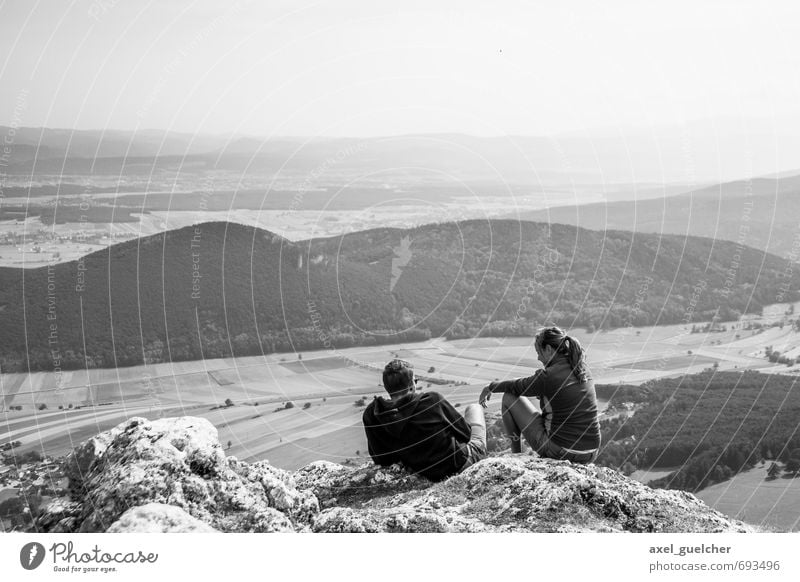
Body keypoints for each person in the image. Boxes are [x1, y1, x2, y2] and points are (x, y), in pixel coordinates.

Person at [478, 326, 600, 464]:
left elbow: (517, 386)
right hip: (591, 452)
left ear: (548, 349)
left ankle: (516, 455)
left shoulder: (549, 376)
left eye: (539, 352)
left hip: (561, 451)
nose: (538, 357)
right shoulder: (582, 368)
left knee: (509, 397)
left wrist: (491, 387)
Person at [363, 359, 487, 481]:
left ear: (387, 388)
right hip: (457, 465)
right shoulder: (432, 401)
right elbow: (466, 434)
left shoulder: (373, 414)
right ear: (411, 385)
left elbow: (380, 459)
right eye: (415, 380)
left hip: (422, 472)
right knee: (474, 408)